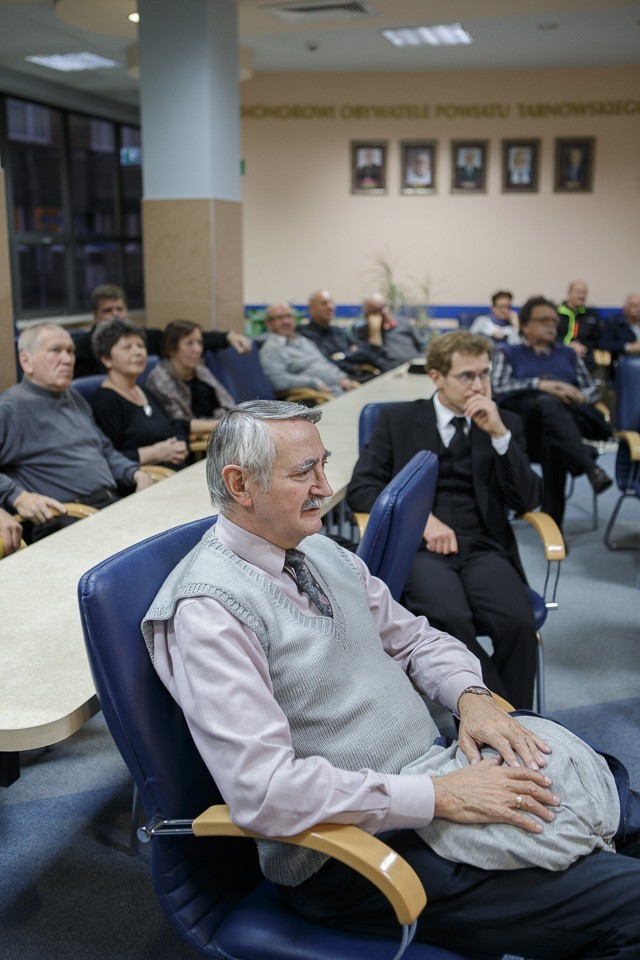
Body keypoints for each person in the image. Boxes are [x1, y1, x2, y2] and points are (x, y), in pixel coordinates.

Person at [142, 400, 640, 960]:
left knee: (622, 808)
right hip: (348, 854)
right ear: (240, 484)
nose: (326, 487)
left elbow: (416, 639)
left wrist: (471, 698)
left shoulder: (318, 550)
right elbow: (266, 793)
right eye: (304, 472)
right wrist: (439, 796)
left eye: (322, 465)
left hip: (428, 777)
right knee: (630, 904)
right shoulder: (210, 612)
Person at [348, 331, 539, 707]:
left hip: (483, 546)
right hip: (420, 550)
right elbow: (362, 488)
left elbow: (528, 499)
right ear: (436, 376)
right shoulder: (398, 420)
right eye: (467, 376)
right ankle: (505, 719)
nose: (480, 385)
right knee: (449, 618)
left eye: (484, 374)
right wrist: (421, 520)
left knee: (518, 622)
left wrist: (500, 436)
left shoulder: (505, 422)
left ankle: (503, 721)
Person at [0, 324, 154, 542]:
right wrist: (18, 496)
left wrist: (135, 474)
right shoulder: (10, 408)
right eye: (56, 351)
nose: (68, 359)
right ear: (26, 361)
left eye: (71, 351)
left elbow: (105, 451)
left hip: (112, 505)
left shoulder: (74, 397)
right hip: (68, 519)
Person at [492, 296, 613, 528]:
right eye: (543, 320)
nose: (551, 325)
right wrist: (539, 384)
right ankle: (588, 467)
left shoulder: (568, 353)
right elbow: (496, 389)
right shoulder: (507, 352)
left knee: (554, 439)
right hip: (524, 430)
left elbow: (592, 390)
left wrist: (581, 396)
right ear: (525, 325)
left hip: (562, 428)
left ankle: (552, 525)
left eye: (554, 321)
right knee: (546, 403)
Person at [73, 283, 251, 379]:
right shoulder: (82, 348)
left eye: (119, 309)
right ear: (95, 316)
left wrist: (228, 337)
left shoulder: (144, 337)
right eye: (108, 311)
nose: (116, 315)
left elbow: (182, 338)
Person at [91, 318, 189, 468]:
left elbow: (174, 424)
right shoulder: (105, 402)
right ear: (106, 360)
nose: (138, 352)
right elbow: (109, 458)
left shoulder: (143, 390)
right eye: (127, 347)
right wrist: (155, 453)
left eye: (140, 346)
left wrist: (179, 444)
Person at [145, 319, 236, 437]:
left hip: (216, 433)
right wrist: (223, 424)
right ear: (171, 348)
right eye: (189, 343)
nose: (197, 350)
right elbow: (180, 422)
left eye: (199, 343)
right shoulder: (160, 379)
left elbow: (228, 403)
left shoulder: (201, 371)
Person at [259, 302, 358, 398]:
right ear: (269, 324)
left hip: (340, 389)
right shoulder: (272, 348)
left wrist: (342, 377)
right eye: (279, 318)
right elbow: (278, 381)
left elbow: (324, 363)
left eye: (289, 316)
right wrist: (315, 384)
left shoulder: (304, 341)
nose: (286, 321)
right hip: (316, 397)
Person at [299, 289, 380, 382]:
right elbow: (323, 362)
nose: (330, 307)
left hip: (356, 377)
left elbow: (364, 352)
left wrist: (342, 355)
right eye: (324, 303)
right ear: (311, 309)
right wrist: (351, 359)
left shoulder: (340, 332)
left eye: (332, 302)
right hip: (333, 381)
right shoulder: (304, 335)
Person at [352, 294, 435, 372]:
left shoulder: (402, 323)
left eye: (384, 306)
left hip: (415, 366)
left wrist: (421, 360)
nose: (384, 312)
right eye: (377, 310)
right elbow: (372, 357)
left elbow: (422, 345)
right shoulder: (364, 331)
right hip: (390, 371)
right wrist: (375, 332)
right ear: (368, 314)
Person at [556, 279, 603, 367]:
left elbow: (598, 339)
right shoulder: (555, 313)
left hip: (584, 356)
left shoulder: (592, 315)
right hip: (558, 353)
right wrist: (566, 346)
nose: (581, 296)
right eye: (578, 292)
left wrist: (584, 348)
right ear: (569, 293)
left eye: (584, 293)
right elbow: (549, 337)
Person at [598, 293, 640, 364]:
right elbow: (604, 344)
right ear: (625, 309)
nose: (638, 309)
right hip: (624, 362)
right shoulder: (614, 323)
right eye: (634, 306)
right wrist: (629, 347)